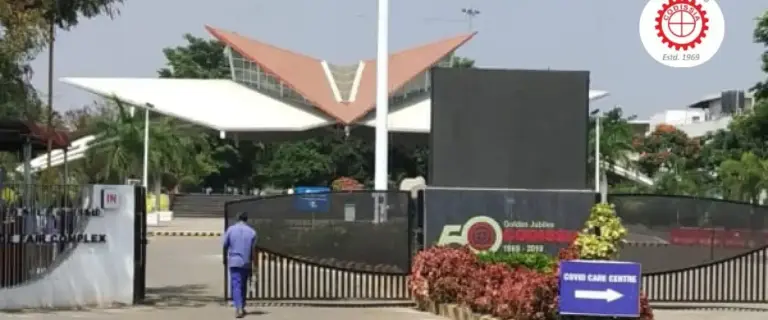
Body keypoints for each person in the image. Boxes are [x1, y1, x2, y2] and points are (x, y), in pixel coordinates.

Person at [223, 212, 257, 318]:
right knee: (243, 284)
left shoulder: (231, 229)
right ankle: (242, 305)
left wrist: (225, 258)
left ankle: (238, 308)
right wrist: (254, 264)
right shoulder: (252, 232)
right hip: (246, 261)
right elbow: (253, 250)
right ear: (247, 219)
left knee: (236, 284)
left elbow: (225, 244)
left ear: (237, 218)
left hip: (234, 260)